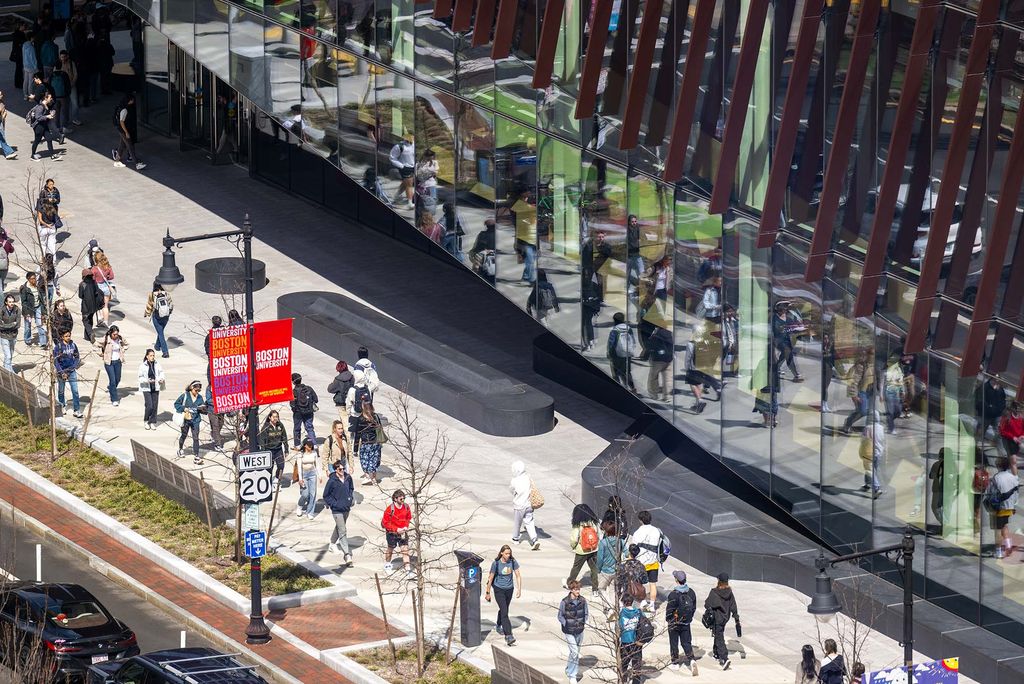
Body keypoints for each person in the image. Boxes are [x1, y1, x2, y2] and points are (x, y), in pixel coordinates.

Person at [485, 544, 521, 646]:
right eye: (506, 553)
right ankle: (509, 636)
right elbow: (490, 578)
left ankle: (499, 623)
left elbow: (518, 575)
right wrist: (487, 593)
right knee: (505, 612)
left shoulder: (512, 562)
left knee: (504, 609)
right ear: (501, 553)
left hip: (509, 589)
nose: (508, 555)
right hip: (499, 589)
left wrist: (519, 589)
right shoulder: (496, 563)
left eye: (509, 553)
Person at [704, 572, 739, 670]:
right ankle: (716, 653)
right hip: (725, 618)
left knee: (720, 638)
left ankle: (724, 657)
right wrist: (736, 617)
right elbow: (733, 606)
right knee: (718, 633)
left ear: (719, 581)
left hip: (717, 618)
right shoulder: (729, 592)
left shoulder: (714, 592)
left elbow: (707, 604)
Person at [666, 570, 698, 675]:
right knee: (686, 642)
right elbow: (693, 608)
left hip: (674, 622)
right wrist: (689, 618)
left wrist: (668, 620)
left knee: (674, 642)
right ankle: (692, 659)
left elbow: (669, 610)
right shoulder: (691, 592)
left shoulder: (673, 594)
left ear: (676, 580)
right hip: (686, 622)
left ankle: (675, 662)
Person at [631, 510, 664, 611]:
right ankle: (652, 605)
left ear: (640, 520)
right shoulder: (657, 531)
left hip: (641, 563)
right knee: (653, 584)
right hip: (653, 562)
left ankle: (643, 601)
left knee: (639, 583)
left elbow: (634, 548)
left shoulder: (637, 532)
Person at [323, 459, 354, 566]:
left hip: (346, 508)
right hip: (336, 510)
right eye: (340, 469)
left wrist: (350, 498)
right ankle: (347, 554)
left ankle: (332, 543)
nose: (342, 470)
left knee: (340, 527)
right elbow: (326, 495)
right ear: (335, 470)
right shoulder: (332, 481)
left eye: (343, 468)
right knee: (343, 530)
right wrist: (334, 504)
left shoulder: (348, 478)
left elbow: (351, 489)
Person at [564, 503, 600, 593]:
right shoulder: (593, 522)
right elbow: (597, 535)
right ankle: (595, 588)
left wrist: (574, 546)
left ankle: (570, 583)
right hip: (593, 549)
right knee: (594, 569)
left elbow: (574, 538)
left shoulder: (578, 524)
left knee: (576, 568)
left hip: (582, 550)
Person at [557, 580, 588, 684]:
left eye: (578, 589)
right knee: (575, 652)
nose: (578, 591)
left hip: (579, 630)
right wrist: (565, 623)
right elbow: (560, 615)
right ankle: (572, 675)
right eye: (575, 589)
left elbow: (586, 613)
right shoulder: (564, 601)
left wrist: (584, 622)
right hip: (569, 630)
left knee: (573, 653)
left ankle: (569, 669)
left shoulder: (583, 600)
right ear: (571, 590)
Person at [990, 456, 1019, 559]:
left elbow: (991, 493)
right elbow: (1016, 492)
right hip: (1009, 507)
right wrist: (1014, 504)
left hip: (1000, 507)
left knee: (997, 529)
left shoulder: (996, 478)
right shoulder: (1012, 477)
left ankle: (998, 552)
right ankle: (1008, 545)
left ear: (998, 466)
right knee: (1004, 525)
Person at [381, 489, 413, 577]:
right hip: (392, 532)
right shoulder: (389, 509)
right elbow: (386, 523)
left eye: (404, 499)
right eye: (401, 499)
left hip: (403, 532)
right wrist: (396, 529)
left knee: (405, 550)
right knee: (390, 548)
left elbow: (408, 518)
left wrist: (406, 526)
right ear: (395, 499)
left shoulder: (406, 507)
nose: (403, 501)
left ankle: (408, 570)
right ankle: (387, 565)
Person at [509, 460, 540, 550]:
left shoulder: (514, 480)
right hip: (529, 504)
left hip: (519, 505)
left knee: (517, 523)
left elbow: (511, 490)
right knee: (529, 522)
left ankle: (515, 539)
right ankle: (534, 540)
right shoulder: (528, 477)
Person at [174, 380, 205, 465]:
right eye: (196, 390)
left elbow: (203, 409)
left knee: (196, 438)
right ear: (192, 388)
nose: (197, 392)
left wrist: (203, 409)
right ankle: (180, 449)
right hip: (186, 419)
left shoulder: (200, 398)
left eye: (199, 391)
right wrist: (184, 408)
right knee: (184, 435)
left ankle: (196, 456)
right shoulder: (185, 396)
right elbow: (176, 404)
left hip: (196, 420)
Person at [53, 329, 83, 417]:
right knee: (61, 391)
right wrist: (61, 372)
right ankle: (62, 406)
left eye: (69, 336)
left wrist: (73, 367)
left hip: (71, 371)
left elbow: (77, 357)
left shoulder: (73, 345)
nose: (68, 338)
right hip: (61, 371)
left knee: (75, 391)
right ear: (62, 337)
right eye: (66, 336)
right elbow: (55, 361)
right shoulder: (58, 347)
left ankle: (77, 410)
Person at [772, 301, 804, 382]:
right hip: (778, 340)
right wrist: (788, 328)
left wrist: (799, 329)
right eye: (783, 309)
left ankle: (776, 368)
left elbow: (793, 328)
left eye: (785, 309)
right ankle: (796, 375)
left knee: (784, 355)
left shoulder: (788, 318)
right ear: (778, 309)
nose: (785, 311)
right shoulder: (774, 318)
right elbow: (777, 330)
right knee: (788, 354)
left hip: (788, 341)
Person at [95, 324, 127, 405]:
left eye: (117, 334)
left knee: (118, 379)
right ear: (110, 333)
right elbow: (95, 345)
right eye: (114, 334)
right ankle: (114, 399)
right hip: (109, 362)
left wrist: (123, 349)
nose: (116, 336)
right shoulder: (106, 339)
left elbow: (127, 344)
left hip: (118, 361)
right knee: (112, 380)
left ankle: (111, 388)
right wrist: (101, 353)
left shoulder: (120, 338)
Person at [595, 517, 624, 608]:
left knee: (601, 589)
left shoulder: (603, 543)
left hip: (605, 570)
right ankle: (615, 606)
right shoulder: (620, 541)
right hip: (617, 570)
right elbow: (627, 553)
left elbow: (600, 558)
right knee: (613, 591)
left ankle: (608, 606)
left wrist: (598, 569)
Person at [113, 93, 146, 170]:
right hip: (123, 130)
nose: (133, 101)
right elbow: (122, 122)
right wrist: (126, 132)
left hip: (119, 129)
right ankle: (137, 164)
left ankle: (117, 161)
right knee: (130, 146)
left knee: (122, 145)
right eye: (132, 100)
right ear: (129, 101)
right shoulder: (124, 110)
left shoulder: (120, 107)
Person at [353, 400, 383, 484]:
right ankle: (373, 478)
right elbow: (380, 429)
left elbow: (357, 434)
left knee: (365, 460)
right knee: (374, 460)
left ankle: (367, 476)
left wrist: (355, 449)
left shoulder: (361, 418)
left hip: (365, 443)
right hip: (375, 443)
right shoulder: (376, 416)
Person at [511, 186, 537, 283]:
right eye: (527, 192)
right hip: (524, 237)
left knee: (531, 259)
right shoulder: (519, 205)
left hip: (532, 236)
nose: (529, 194)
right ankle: (531, 279)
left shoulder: (527, 205)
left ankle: (526, 276)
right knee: (530, 260)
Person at [617, 594, 644, 684]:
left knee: (624, 663)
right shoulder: (638, 612)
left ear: (624, 603)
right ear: (632, 602)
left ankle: (623, 680)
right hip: (636, 641)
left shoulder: (622, 613)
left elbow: (619, 626)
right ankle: (636, 682)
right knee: (636, 665)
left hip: (625, 641)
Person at [27, 92, 61, 161]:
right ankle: (32, 155)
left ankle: (52, 155)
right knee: (37, 140)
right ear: (45, 98)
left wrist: (52, 113)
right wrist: (47, 116)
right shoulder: (40, 107)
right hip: (39, 127)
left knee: (49, 139)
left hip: (44, 126)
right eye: (50, 98)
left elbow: (51, 110)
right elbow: (38, 117)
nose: (51, 99)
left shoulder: (46, 105)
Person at [607, 312, 636, 392]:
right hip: (628, 353)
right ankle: (633, 388)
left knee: (616, 372)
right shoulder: (629, 328)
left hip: (617, 354)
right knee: (627, 371)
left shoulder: (615, 330)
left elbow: (611, 343)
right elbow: (633, 341)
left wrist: (609, 353)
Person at [136, 348, 164, 430]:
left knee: (155, 406)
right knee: (150, 406)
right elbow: (140, 377)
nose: (152, 357)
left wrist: (162, 378)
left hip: (155, 386)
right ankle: (146, 420)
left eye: (153, 355)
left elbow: (161, 372)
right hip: (146, 387)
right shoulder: (142, 366)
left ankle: (152, 422)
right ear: (147, 356)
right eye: (151, 355)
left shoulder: (157, 364)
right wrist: (146, 380)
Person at [289, 372, 318, 449]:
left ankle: (297, 445)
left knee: (297, 429)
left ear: (293, 382)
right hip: (309, 411)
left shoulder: (294, 391)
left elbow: (292, 404)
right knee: (309, 428)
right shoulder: (309, 388)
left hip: (298, 413)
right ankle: (314, 444)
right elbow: (316, 399)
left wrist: (294, 410)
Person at [144, 282, 173, 358]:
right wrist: (168, 313)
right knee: (160, 332)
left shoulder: (152, 294)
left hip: (157, 317)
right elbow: (171, 305)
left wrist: (147, 313)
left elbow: (149, 305)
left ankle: (165, 352)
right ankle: (157, 346)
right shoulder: (166, 294)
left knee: (161, 333)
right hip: (165, 317)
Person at [259, 410, 288, 484]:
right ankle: (268, 482)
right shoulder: (266, 427)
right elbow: (262, 440)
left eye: (277, 417)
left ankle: (277, 479)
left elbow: (284, 437)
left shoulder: (280, 425)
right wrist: (263, 452)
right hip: (269, 450)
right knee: (269, 468)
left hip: (278, 449)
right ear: (270, 417)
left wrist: (286, 449)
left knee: (281, 466)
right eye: (274, 417)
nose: (275, 418)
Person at [294, 439, 321, 519]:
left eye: (311, 445)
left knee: (313, 493)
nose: (310, 446)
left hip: (312, 474)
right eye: (309, 445)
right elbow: (299, 466)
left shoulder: (314, 453)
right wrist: (300, 478)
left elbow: (317, 465)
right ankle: (300, 506)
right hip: (304, 474)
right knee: (305, 494)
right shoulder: (300, 454)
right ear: (305, 445)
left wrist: (319, 475)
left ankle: (310, 512)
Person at [976, 376, 1007, 444]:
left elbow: (1003, 401)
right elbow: (980, 400)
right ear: (992, 379)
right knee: (981, 430)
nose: (998, 381)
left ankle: (995, 445)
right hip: (986, 414)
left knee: (998, 432)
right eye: (997, 379)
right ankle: (977, 444)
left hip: (996, 414)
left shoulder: (1000, 389)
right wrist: (990, 408)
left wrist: (1000, 409)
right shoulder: (985, 387)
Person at [646, 326, 672, 402]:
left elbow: (649, 346)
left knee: (653, 377)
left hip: (657, 360)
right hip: (668, 359)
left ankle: (654, 395)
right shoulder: (669, 334)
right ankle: (667, 397)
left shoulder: (656, 335)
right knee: (667, 378)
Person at [76, 268, 103, 343]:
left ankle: (90, 334)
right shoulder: (94, 282)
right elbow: (96, 292)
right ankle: (87, 337)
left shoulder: (82, 284)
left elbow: (80, 296)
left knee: (85, 321)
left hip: (85, 306)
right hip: (93, 306)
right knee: (90, 319)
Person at [19, 272, 45, 347]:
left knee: (39, 324)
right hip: (29, 308)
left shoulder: (37, 286)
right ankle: (27, 339)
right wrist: (27, 313)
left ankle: (43, 341)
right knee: (28, 325)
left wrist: (44, 311)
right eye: (32, 279)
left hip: (38, 307)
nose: (34, 280)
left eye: (35, 278)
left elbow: (41, 299)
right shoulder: (24, 288)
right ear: (28, 279)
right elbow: (23, 302)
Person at [389, 138, 415, 207]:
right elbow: (392, 158)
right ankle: (410, 203)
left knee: (406, 183)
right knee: (409, 184)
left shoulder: (414, 144)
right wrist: (402, 166)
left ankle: (396, 196)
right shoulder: (399, 146)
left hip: (413, 167)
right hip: (405, 167)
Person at [91, 250, 115, 327]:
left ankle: (100, 317)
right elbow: (111, 276)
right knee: (105, 306)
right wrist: (106, 277)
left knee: (97, 305)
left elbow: (92, 278)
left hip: (98, 288)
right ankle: (106, 322)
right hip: (106, 287)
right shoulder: (108, 267)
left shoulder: (94, 269)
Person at [882, 354, 904, 433]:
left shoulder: (899, 371)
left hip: (896, 393)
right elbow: (881, 384)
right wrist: (881, 395)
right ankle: (891, 428)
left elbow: (901, 382)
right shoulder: (885, 372)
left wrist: (902, 391)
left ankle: (889, 420)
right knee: (890, 411)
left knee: (898, 411)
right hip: (888, 393)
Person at [203, 385, 225, 452]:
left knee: (221, 424)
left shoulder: (222, 385)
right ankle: (217, 444)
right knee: (216, 427)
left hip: (221, 410)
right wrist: (218, 401)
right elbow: (209, 399)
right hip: (212, 410)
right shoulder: (209, 387)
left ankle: (213, 435)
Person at [0, 295, 18, 372]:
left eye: (13, 302)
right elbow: (0, 326)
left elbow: (18, 324)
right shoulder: (1, 311)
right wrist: (11, 325)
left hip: (13, 335)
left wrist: (5, 325)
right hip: (4, 335)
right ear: (6, 302)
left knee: (10, 354)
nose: (12, 303)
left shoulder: (17, 310)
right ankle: (9, 372)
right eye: (10, 302)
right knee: (8, 355)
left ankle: (6, 366)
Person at [0, 91, 18, 159]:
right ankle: (8, 152)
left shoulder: (1, 102)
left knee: (1, 138)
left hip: (1, 122)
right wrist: (3, 115)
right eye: (0, 94)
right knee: (2, 138)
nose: (2, 95)